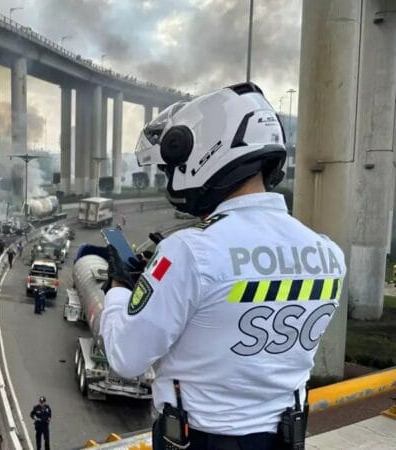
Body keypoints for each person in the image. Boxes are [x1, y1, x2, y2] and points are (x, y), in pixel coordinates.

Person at [99, 82, 347, 450]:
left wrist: (120, 287)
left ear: (206, 152)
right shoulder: (328, 254)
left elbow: (125, 356)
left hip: (198, 440)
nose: (171, 177)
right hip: (286, 438)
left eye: (173, 166)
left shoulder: (188, 251)